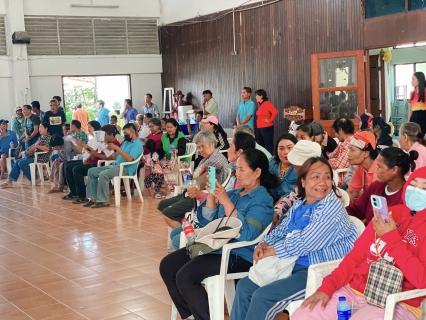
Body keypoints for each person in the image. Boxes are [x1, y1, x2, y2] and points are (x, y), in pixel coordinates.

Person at [231, 157, 358, 320]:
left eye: (327, 177)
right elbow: (282, 230)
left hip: (316, 270)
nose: (323, 182)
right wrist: (265, 243)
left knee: (263, 297)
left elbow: (306, 242)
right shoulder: (300, 204)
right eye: (316, 176)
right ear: (303, 182)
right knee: (244, 287)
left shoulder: (332, 207)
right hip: (290, 263)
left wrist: (272, 251)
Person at [293, 166, 426, 320]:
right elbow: (355, 257)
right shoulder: (390, 213)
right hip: (353, 290)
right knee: (303, 315)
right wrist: (327, 288)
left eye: (424, 188)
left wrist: (391, 238)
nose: (416, 191)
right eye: (413, 184)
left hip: (399, 302)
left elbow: (422, 280)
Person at [160, 148, 279, 320]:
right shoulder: (235, 194)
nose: (237, 173)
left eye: (242, 169)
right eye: (236, 168)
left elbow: (248, 235)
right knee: (168, 265)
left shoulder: (263, 201)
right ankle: (191, 315)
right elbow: (209, 222)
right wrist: (211, 196)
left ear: (257, 172)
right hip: (215, 247)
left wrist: (224, 200)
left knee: (186, 276)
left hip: (238, 255)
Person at [167, 131, 256, 251]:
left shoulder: (222, 165)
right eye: (198, 147)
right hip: (212, 210)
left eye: (230, 146)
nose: (200, 150)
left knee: (176, 235)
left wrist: (202, 194)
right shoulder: (233, 175)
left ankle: (190, 255)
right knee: (176, 234)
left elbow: (228, 207)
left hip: (220, 221)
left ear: (239, 152)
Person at [160, 130, 229, 228]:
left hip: (202, 197)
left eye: (203, 146)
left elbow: (202, 182)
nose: (200, 150)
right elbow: (194, 180)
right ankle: (186, 228)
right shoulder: (206, 159)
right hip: (193, 192)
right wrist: (188, 176)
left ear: (212, 143)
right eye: (199, 147)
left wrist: (190, 178)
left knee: (167, 213)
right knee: (162, 205)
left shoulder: (215, 160)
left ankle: (188, 235)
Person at [347, 147, 417, 225]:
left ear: (395, 170)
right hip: (367, 234)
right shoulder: (376, 186)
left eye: (380, 167)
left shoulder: (407, 197)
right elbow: (356, 209)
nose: (376, 171)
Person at [83, 123, 142, 208]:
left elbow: (130, 159)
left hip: (125, 168)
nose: (124, 135)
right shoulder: (126, 143)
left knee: (103, 174)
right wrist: (106, 146)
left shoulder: (137, 144)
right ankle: (93, 198)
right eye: (124, 133)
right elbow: (115, 156)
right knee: (91, 171)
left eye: (126, 133)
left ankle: (103, 201)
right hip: (115, 165)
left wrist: (117, 148)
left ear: (132, 132)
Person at [63, 124, 119, 203]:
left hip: (99, 164)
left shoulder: (115, 144)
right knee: (67, 166)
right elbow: (94, 152)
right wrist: (88, 158)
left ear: (110, 134)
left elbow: (110, 158)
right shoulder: (103, 142)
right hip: (92, 160)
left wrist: (84, 145)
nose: (104, 138)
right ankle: (74, 191)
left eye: (105, 135)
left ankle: (82, 195)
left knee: (76, 169)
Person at [272, 140, 322, 227]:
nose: (293, 165)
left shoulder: (320, 188)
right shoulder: (305, 181)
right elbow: (291, 198)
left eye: (295, 163)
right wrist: (277, 212)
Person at [1, 122, 52, 187]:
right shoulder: (41, 137)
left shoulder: (48, 137)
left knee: (21, 163)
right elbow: (36, 145)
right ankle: (10, 181)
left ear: (46, 128)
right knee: (18, 161)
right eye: (39, 127)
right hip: (34, 156)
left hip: (40, 157)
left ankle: (35, 179)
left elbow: (47, 148)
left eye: (41, 127)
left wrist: (36, 146)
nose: (39, 129)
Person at [157, 118, 189, 193]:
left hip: (181, 160)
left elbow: (182, 150)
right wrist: (156, 158)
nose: (169, 129)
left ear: (176, 127)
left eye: (171, 127)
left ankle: (173, 188)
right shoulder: (164, 136)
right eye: (167, 127)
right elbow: (161, 151)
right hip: (169, 159)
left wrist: (177, 151)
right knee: (158, 165)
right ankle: (165, 187)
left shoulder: (180, 136)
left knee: (166, 166)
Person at [346, 131, 379, 203]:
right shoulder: (360, 167)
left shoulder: (379, 170)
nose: (348, 154)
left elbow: (375, 202)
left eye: (352, 150)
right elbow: (351, 192)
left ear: (366, 153)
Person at [268, 133, 298, 202]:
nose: (286, 152)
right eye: (281, 148)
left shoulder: (301, 167)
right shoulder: (271, 163)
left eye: (289, 148)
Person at [328, 117, 355, 186]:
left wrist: (331, 160)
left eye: (335, 132)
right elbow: (330, 156)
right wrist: (332, 159)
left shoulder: (351, 145)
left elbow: (337, 166)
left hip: (343, 181)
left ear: (340, 131)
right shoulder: (343, 144)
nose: (335, 135)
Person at [255, 89, 278, 154]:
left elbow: (275, 112)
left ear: (261, 96)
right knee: (260, 144)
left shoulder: (267, 103)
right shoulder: (259, 105)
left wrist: (270, 120)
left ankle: (271, 159)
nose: (255, 97)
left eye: (257, 95)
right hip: (259, 127)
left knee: (268, 145)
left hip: (266, 127)